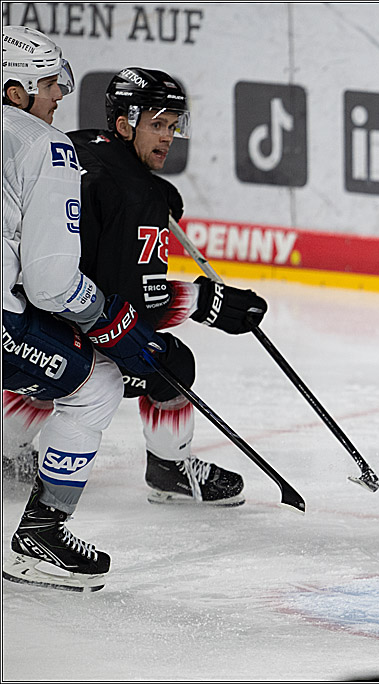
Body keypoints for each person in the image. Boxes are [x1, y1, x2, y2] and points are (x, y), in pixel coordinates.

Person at [2, 66, 268, 505]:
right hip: (58, 313)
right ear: (125, 124)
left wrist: (151, 192)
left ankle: (8, 449)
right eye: (157, 125)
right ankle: (170, 469)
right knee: (171, 365)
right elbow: (136, 306)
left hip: (18, 301)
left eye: (172, 125)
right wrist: (207, 301)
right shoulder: (139, 195)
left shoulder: (79, 140)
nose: (168, 137)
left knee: (51, 356)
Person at [2, 26, 167, 592]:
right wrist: (107, 316)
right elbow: (50, 284)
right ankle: (40, 537)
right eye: (48, 84)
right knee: (95, 384)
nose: (58, 97)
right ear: (16, 89)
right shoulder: (44, 146)